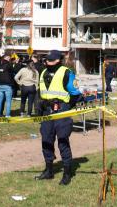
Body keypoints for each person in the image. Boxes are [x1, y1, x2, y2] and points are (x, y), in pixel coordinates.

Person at [35, 50, 82, 186]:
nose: (47, 61)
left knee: (62, 142)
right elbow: (40, 92)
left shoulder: (66, 72)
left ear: (57, 60)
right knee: (46, 141)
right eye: (47, 59)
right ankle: (48, 171)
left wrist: (66, 107)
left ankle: (67, 173)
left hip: (62, 111)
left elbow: (75, 94)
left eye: (50, 59)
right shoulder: (43, 72)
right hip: (46, 112)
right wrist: (39, 108)